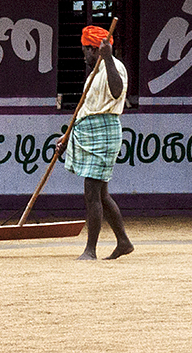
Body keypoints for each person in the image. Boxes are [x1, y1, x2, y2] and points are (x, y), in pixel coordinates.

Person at [57, 25, 134, 260]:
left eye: (85, 51)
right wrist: (68, 136)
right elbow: (85, 110)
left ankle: (90, 250)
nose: (84, 56)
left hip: (103, 132)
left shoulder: (114, 67)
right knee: (101, 194)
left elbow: (117, 90)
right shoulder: (93, 75)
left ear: (94, 49)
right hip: (88, 130)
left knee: (92, 193)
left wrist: (108, 58)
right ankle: (123, 242)